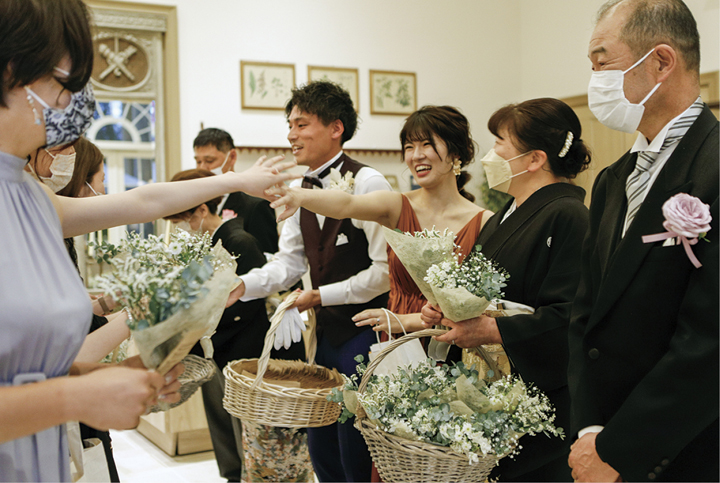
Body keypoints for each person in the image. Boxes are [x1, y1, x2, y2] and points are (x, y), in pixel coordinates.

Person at [0, 1, 296, 480]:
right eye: (64, 80)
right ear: (12, 70)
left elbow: (142, 202)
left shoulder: (30, 196)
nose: (73, 98)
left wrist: (101, 379)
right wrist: (76, 396)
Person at [567, 1, 718, 481]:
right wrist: (591, 428)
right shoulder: (614, 179)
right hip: (601, 437)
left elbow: (709, 342)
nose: (596, 79)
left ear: (661, 61)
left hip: (681, 451)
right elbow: (586, 311)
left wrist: (620, 450)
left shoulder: (714, 168)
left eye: (603, 61)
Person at [420, 98, 591, 481]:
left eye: (500, 143)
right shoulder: (504, 216)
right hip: (489, 385)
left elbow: (572, 314)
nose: (490, 154)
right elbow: (473, 289)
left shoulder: (569, 216)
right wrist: (445, 308)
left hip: (535, 396)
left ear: (534, 159)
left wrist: (494, 329)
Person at [232, 80, 391, 482]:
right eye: (290, 125)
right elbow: (289, 263)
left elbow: (383, 271)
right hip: (323, 340)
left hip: (364, 336)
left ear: (336, 128)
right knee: (322, 447)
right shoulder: (301, 188)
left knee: (358, 449)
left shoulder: (369, 182)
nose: (291, 135)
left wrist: (320, 296)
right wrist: (241, 286)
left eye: (301, 124)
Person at [269, 105, 492, 341]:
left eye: (426, 144)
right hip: (397, 344)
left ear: (456, 152)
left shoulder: (483, 222)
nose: (416, 155)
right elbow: (346, 204)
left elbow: (485, 306)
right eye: (409, 147)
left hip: (454, 343)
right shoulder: (395, 206)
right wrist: (299, 196)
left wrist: (406, 320)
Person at [165, 169, 307, 483]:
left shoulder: (237, 239)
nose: (180, 230)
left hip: (245, 347)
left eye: (181, 222)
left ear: (202, 210)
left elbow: (255, 296)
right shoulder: (208, 242)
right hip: (220, 347)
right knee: (227, 430)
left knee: (251, 439)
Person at [194, 128, 279, 255]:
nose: (202, 168)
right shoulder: (197, 203)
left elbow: (267, 258)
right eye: (198, 161)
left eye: (209, 161)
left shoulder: (256, 205)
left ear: (232, 157)